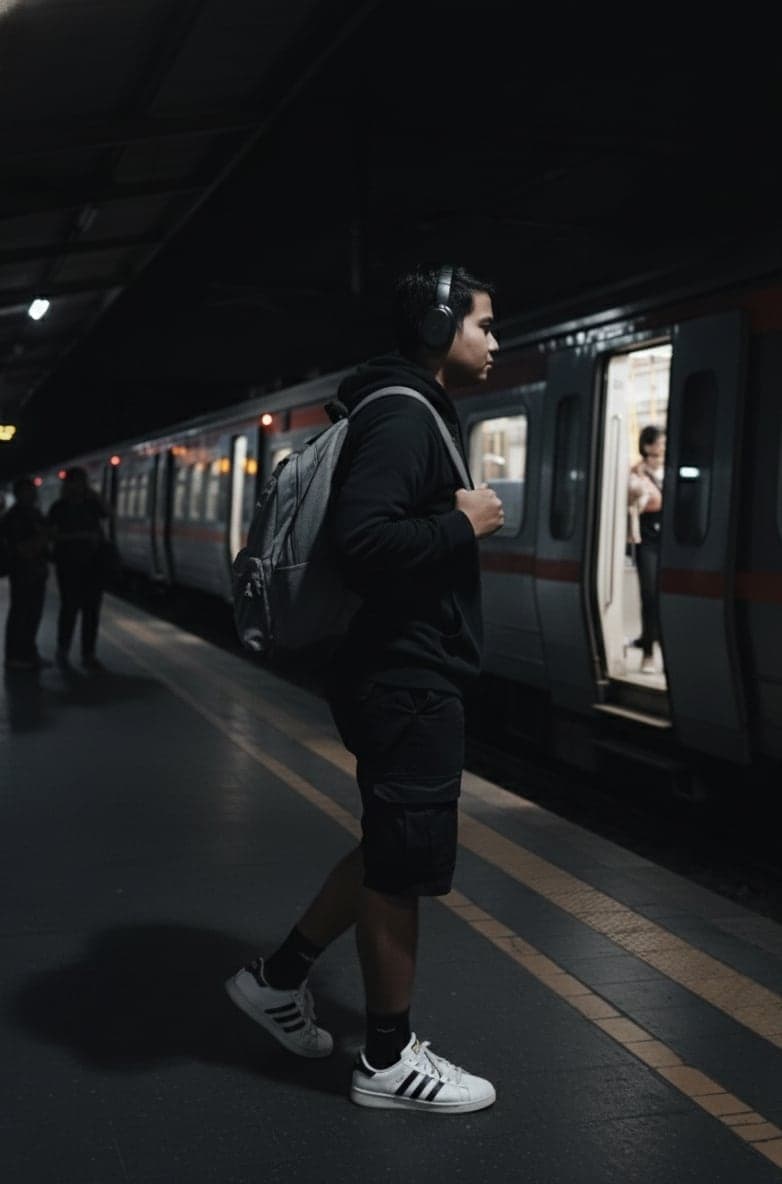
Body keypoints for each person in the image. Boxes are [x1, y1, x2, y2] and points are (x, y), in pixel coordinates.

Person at [225, 264, 502, 1113]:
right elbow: (365, 541)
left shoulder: (396, 408)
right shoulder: (405, 417)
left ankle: (277, 979)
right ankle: (387, 1060)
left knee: (390, 846)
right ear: (439, 330)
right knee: (401, 869)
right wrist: (463, 524)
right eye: (484, 324)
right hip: (403, 674)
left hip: (394, 670)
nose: (495, 340)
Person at [46, 466, 111, 671]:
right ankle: (63, 649)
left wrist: (95, 495)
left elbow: (108, 513)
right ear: (68, 484)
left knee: (91, 610)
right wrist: (78, 536)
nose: (78, 486)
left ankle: (88, 654)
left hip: (93, 564)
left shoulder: (92, 505)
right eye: (74, 482)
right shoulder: (59, 507)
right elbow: (51, 535)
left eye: (82, 482)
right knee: (69, 608)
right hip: (68, 564)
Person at [1, 476, 50, 671]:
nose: (32, 494)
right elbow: (21, 548)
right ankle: (14, 656)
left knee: (32, 615)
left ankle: (29, 653)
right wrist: (42, 538)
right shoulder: (14, 517)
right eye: (28, 491)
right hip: (22, 572)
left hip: (36, 572)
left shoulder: (33, 513)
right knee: (21, 614)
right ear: (19, 494)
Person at [628, 424, 665, 674]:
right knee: (649, 594)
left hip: (667, 539)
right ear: (647, 445)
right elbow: (640, 503)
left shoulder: (669, 469)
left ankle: (653, 638)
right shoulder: (637, 473)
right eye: (660, 442)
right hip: (648, 539)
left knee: (662, 595)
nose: (663, 447)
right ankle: (648, 654)